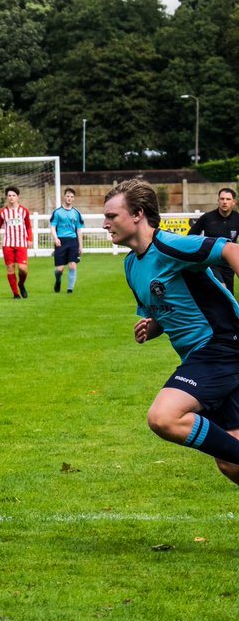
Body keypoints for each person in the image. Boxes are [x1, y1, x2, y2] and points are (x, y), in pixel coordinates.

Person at [104, 178, 239, 485]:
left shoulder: (169, 245)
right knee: (230, 463)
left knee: (163, 417)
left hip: (221, 344)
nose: (105, 224)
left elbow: (231, 249)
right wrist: (150, 328)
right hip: (201, 356)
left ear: (137, 214)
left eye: (112, 216)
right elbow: (163, 310)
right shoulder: (131, 266)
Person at [187, 188, 239, 292]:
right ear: (218, 200)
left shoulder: (237, 219)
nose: (224, 202)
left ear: (234, 202)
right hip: (211, 262)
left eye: (228, 199)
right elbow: (190, 237)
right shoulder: (207, 218)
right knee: (221, 287)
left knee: (228, 295)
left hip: (228, 264)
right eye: (222, 199)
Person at [0, 186, 34, 299]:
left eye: (13, 195)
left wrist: (30, 239)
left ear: (17, 197)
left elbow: (28, 226)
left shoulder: (24, 211)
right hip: (8, 244)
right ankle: (16, 294)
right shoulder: (3, 212)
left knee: (22, 269)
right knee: (10, 268)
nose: (11, 197)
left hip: (21, 244)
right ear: (6, 197)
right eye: (9, 195)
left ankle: (21, 284)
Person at [50, 188, 85, 293]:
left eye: (71, 197)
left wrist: (80, 246)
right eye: (68, 196)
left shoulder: (76, 213)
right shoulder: (57, 212)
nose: (69, 198)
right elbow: (52, 227)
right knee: (59, 269)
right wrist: (56, 238)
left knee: (72, 266)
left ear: (73, 198)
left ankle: (70, 289)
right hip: (61, 241)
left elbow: (79, 230)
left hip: (73, 241)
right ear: (64, 197)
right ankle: (58, 280)